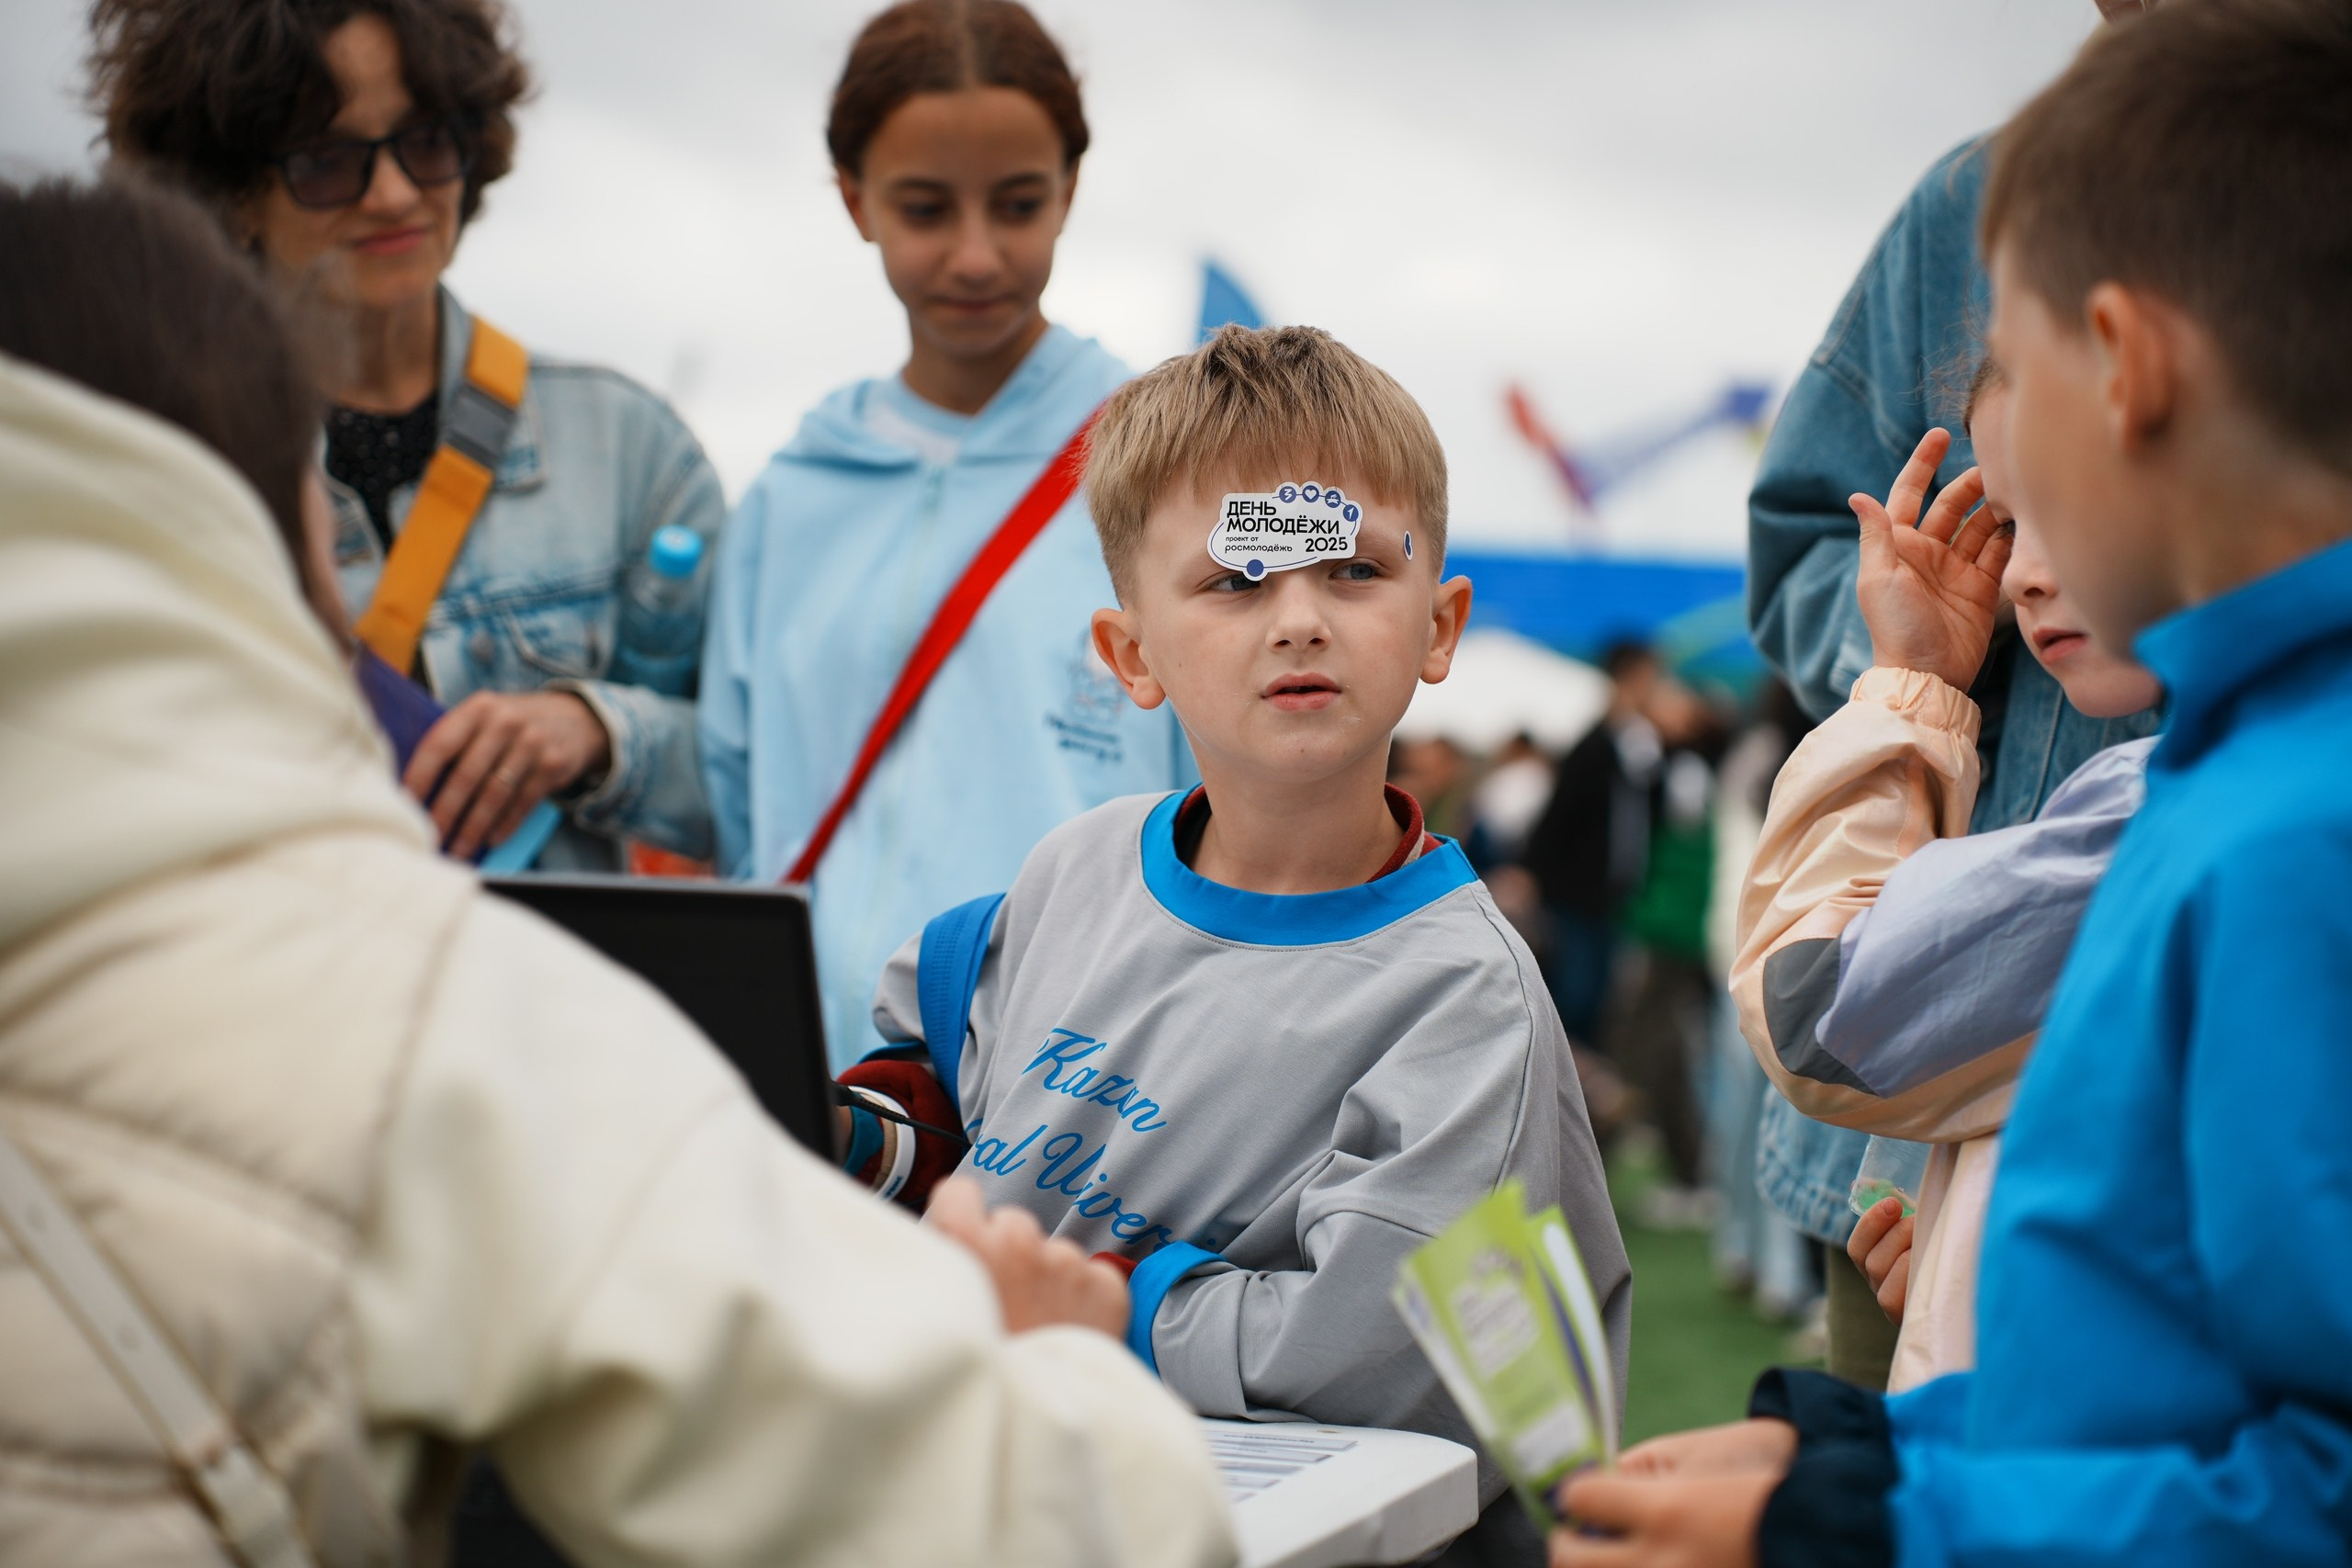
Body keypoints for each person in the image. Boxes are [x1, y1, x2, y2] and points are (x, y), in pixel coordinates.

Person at [0, 175, 1233, 1568]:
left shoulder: (1082, 448)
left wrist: (605, 729)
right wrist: (1058, 1364)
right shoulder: (434, 1020)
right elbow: (1046, 1518)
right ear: (276, 516)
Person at [1555, 5, 2352, 1562]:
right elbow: (2174, 1373)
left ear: (2121, 369)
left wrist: (1878, 1519)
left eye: (2009, 401)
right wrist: (1877, 1447)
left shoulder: (2284, 838)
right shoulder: (2235, 778)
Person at [833, 325, 1630, 1564]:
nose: (1299, 619)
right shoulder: (1075, 865)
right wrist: (861, 1139)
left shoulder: (1464, 999)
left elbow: (1378, 1359)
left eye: (1352, 571)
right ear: (1131, 655)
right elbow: (941, 1058)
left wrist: (1098, 1309)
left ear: (1439, 625)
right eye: (1236, 580)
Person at [1738, 0, 2162, 1382]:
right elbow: (1808, 541)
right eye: (2004, 509)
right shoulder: (1970, 203)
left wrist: (1913, 688)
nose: (2027, 571)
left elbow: (1815, 1000)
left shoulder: (2206, 823)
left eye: (2084, 498)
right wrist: (1929, 658)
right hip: (1912, 1165)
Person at [90, 0, 725, 871]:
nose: (392, 194)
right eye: (326, 160)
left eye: (426, 142)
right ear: (232, 195)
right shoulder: (153, 466)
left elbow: (758, 771)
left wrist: (595, 731)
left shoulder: (630, 446)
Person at [701, 0, 1194, 1067]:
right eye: (926, 208)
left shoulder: (1166, 467)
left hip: (1080, 1094)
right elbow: (735, 802)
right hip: (816, 1090)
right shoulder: (794, 493)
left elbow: (1228, 815)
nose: (975, 255)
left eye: (1017, 204)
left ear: (1069, 189)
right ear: (854, 199)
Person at [1520, 640, 1664, 1045]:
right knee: (1577, 994)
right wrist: (1532, 872)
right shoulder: (1596, 743)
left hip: (1612, 892)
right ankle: (1560, 1073)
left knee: (1598, 994)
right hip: (1578, 891)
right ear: (1629, 678)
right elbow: (1559, 814)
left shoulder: (1637, 743)